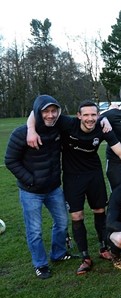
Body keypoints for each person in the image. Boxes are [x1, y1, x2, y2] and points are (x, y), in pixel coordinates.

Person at [5, 95, 77, 279]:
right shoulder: (21, 133)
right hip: (31, 192)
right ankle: (40, 264)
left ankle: (59, 254)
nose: (51, 115)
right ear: (38, 112)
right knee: (35, 230)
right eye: (46, 111)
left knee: (61, 223)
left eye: (54, 111)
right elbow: (10, 161)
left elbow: (85, 118)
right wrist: (30, 180)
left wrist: (107, 118)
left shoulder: (58, 126)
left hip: (53, 189)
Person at [57, 101, 121, 274]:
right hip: (72, 177)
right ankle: (85, 257)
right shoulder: (68, 123)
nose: (90, 119)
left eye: (94, 115)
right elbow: (37, 112)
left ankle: (104, 248)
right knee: (77, 215)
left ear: (98, 116)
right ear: (79, 115)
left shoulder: (103, 127)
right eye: (86, 115)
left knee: (99, 210)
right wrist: (30, 129)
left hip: (94, 174)